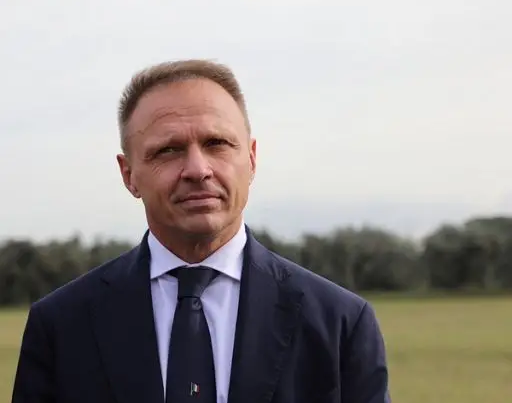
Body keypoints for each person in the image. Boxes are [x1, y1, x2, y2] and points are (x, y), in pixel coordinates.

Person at [11, 59, 391, 403]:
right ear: (129, 175)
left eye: (217, 144)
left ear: (251, 158)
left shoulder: (340, 324)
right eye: (169, 150)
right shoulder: (61, 327)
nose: (198, 169)